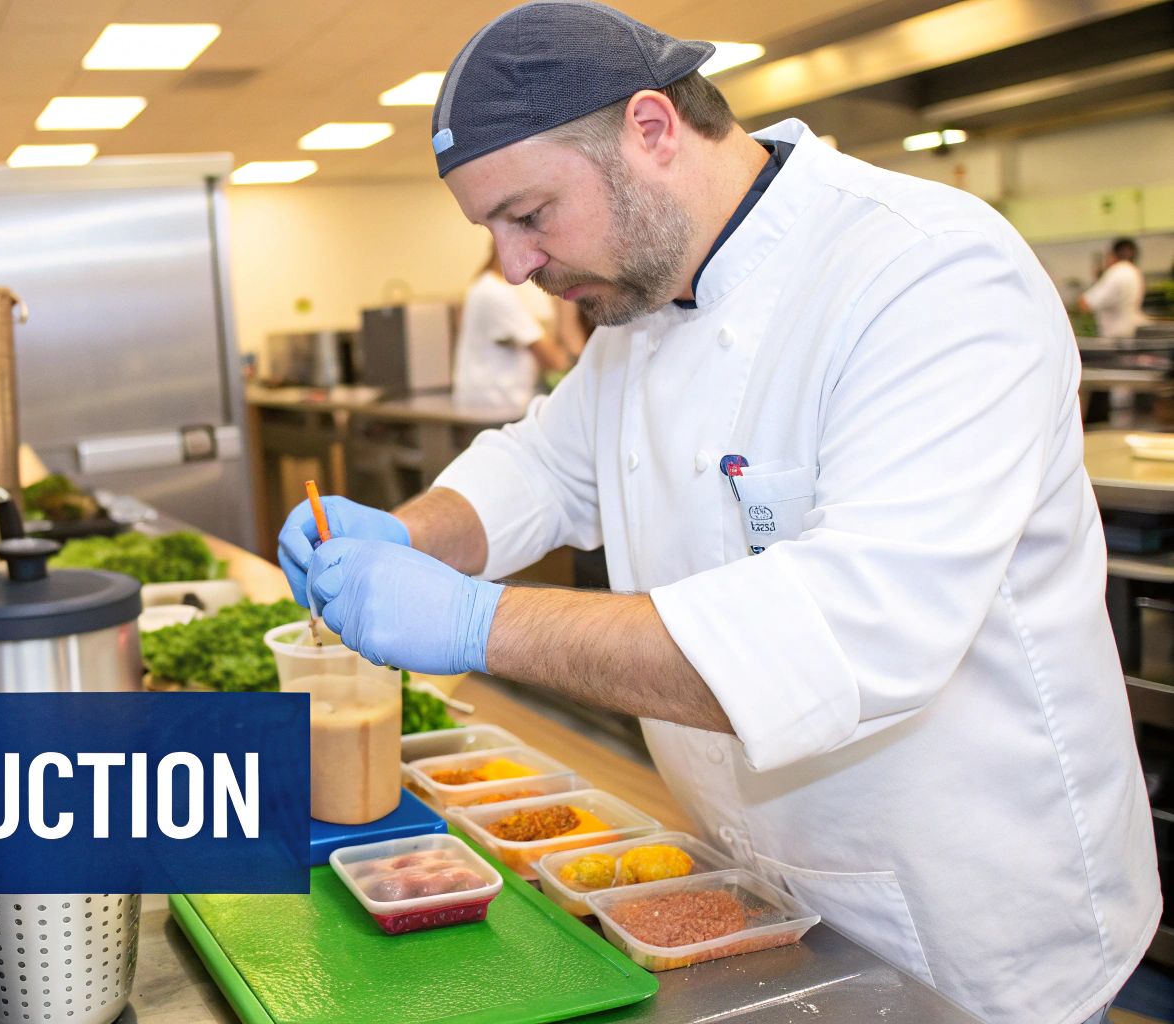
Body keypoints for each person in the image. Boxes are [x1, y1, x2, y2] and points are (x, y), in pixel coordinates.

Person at [276, 4, 1157, 1022]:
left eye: (528, 215)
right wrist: (409, 532)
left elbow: (851, 631)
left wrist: (475, 621)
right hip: (748, 889)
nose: (513, 267)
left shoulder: (925, 272)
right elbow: (544, 467)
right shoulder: (641, 301)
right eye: (491, 231)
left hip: (966, 912)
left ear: (650, 130)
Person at [453, 246, 568, 407]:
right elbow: (553, 359)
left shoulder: (482, 287)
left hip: (484, 400)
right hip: (496, 403)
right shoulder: (495, 293)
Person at [1079, 237, 1146, 338]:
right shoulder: (1134, 272)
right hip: (1131, 333)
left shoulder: (1117, 272)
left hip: (1116, 339)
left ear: (1113, 255)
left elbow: (1085, 303)